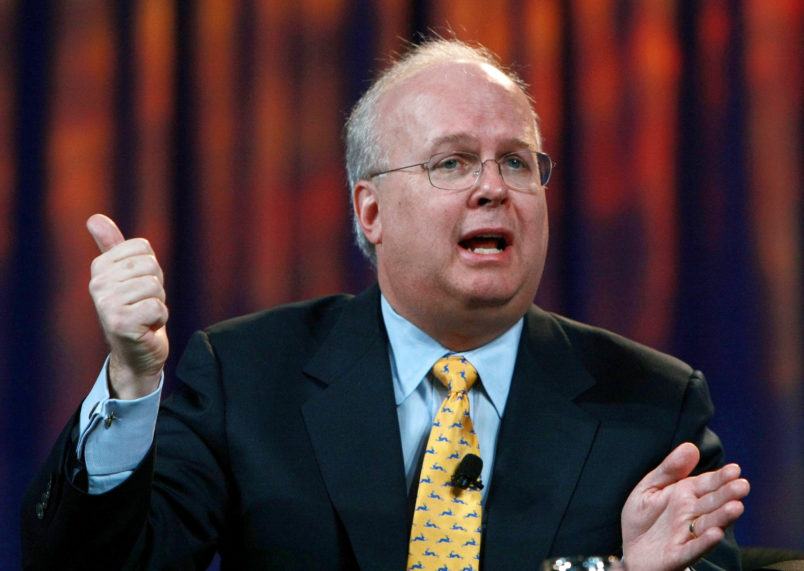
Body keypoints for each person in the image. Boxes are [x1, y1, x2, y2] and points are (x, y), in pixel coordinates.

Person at [21, 39, 749, 570]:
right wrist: (131, 383)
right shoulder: (249, 375)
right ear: (371, 211)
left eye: (518, 162)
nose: (492, 187)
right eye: (453, 162)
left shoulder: (653, 403)